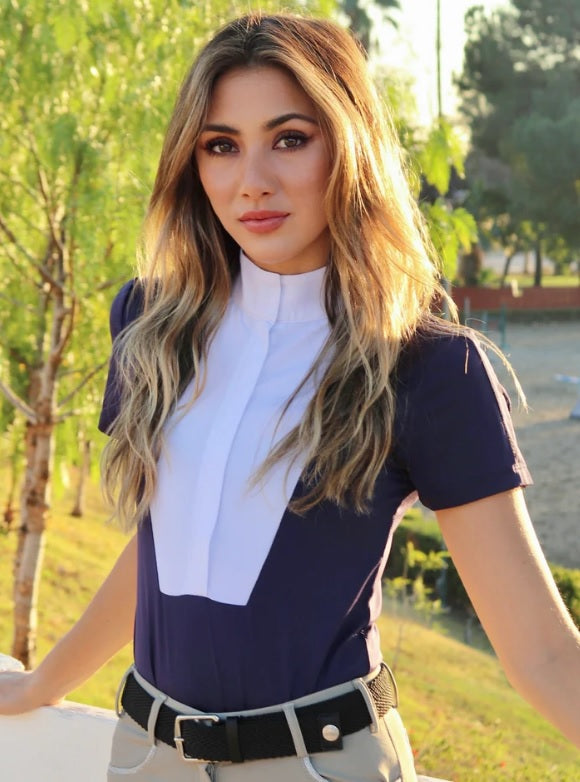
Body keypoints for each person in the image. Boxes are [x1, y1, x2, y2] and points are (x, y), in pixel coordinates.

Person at [0, 12, 579, 782]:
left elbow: (539, 651)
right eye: (221, 145)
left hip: (320, 765)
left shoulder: (429, 368)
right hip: (144, 756)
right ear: (192, 164)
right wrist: (44, 683)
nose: (253, 182)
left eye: (290, 138)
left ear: (349, 144)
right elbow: (164, 548)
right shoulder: (149, 323)